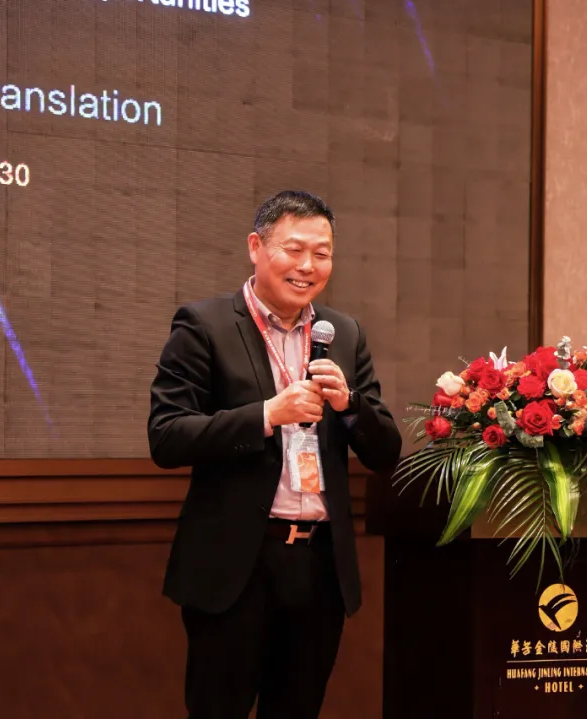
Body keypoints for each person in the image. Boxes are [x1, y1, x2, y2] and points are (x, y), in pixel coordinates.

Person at [148, 190, 402, 719]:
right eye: (294, 249)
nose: (308, 266)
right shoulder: (204, 325)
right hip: (237, 565)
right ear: (256, 247)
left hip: (318, 567)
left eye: (322, 253)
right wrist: (266, 414)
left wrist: (349, 405)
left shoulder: (344, 333)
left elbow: (385, 451)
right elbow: (167, 436)